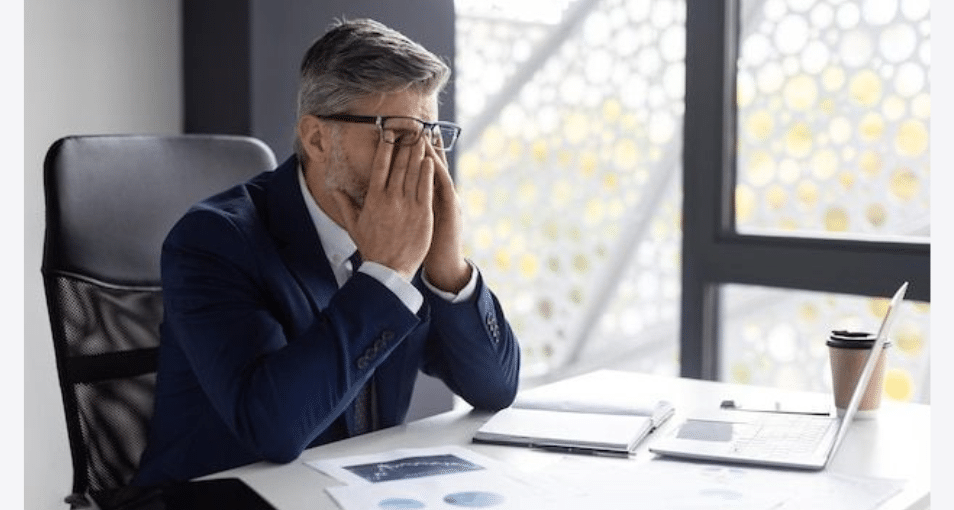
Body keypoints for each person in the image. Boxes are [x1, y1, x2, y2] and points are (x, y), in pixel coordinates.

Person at [133, 18, 520, 485]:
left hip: (346, 492)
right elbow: (273, 430)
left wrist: (448, 266)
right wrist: (386, 273)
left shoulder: (413, 238)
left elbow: (495, 388)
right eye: (397, 136)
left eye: (431, 136)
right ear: (317, 139)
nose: (421, 161)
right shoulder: (213, 241)